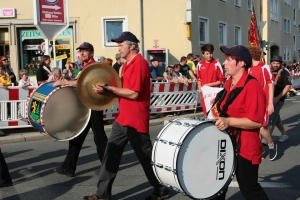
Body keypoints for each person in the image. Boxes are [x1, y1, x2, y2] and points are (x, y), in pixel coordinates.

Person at [84, 31, 169, 200]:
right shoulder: (127, 64)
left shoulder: (139, 64)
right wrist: (105, 90)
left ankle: (161, 189)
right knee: (110, 155)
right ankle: (102, 195)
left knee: (145, 158)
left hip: (136, 120)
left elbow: (134, 94)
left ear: (131, 46)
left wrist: (109, 89)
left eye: (121, 45)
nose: (118, 48)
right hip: (123, 118)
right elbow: (123, 91)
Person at [212, 45, 268, 200]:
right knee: (217, 186)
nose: (224, 63)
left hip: (245, 148)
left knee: (249, 190)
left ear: (242, 63)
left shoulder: (252, 86)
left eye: (229, 59)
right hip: (227, 144)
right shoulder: (229, 84)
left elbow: (256, 122)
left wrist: (229, 121)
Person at [53, 42, 108, 177]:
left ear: (92, 53)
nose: (82, 53)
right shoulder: (85, 67)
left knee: (100, 139)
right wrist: (67, 78)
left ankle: (106, 168)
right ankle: (68, 167)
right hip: (86, 106)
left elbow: (83, 83)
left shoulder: (93, 66)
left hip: (93, 106)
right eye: (80, 51)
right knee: (76, 136)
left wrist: (64, 82)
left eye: (85, 51)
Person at [247, 45, 277, 160]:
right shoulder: (247, 68)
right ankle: (258, 149)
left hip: (263, 102)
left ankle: (271, 145)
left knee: (260, 127)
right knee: (253, 128)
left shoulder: (263, 67)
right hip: (251, 102)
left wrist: (270, 103)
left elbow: (270, 84)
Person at [267, 55, 292, 144]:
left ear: (281, 64)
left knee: (272, 117)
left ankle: (267, 138)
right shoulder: (269, 71)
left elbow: (288, 86)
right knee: (276, 117)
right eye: (274, 63)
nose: (275, 65)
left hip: (279, 98)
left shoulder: (285, 73)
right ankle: (284, 134)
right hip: (269, 98)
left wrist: (277, 98)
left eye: (277, 63)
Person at [197, 43, 225, 116]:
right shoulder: (199, 64)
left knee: (215, 115)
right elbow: (199, 78)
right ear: (203, 54)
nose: (209, 55)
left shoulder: (216, 64)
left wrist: (208, 85)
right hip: (204, 93)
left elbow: (221, 80)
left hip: (214, 94)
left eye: (211, 53)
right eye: (207, 53)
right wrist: (200, 87)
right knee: (206, 114)